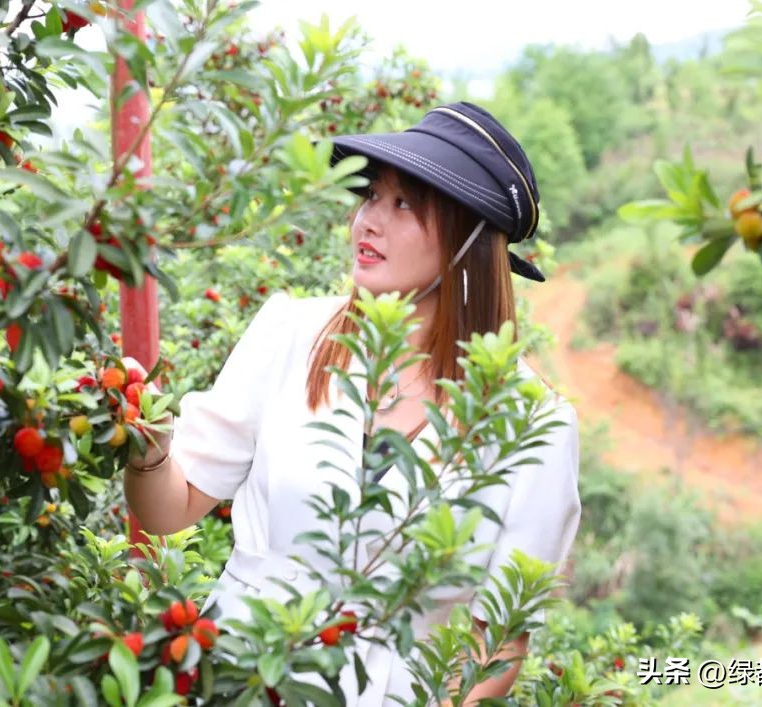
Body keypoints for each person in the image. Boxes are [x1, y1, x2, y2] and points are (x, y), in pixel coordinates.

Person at [124, 101, 582, 706]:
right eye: (370, 197)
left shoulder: (534, 423)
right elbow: (170, 509)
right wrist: (148, 448)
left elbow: (497, 642)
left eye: (405, 205)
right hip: (234, 680)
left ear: (467, 239)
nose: (368, 221)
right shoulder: (290, 334)